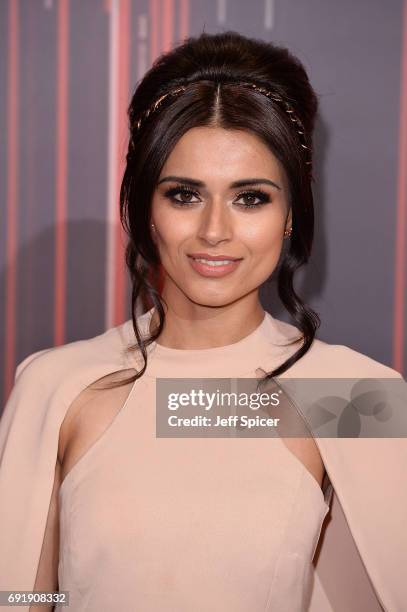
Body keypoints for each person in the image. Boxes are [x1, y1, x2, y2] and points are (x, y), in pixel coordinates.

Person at [0, 30, 406, 612]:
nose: (215, 231)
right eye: (185, 194)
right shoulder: (58, 385)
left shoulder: (353, 396)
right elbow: (19, 594)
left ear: (292, 214)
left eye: (251, 198)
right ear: (145, 206)